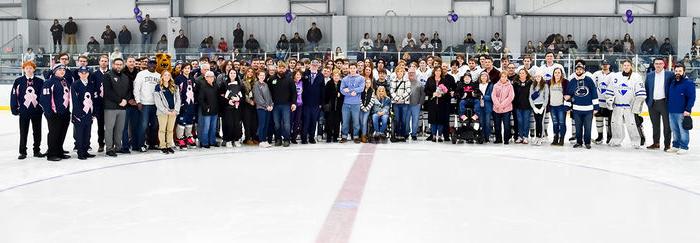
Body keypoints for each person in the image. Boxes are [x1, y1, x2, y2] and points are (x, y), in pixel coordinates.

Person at [11, 61, 45, 159]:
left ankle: (37, 150)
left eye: (31, 68)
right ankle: (22, 152)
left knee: (37, 131)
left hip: (36, 111)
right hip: (24, 111)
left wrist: (42, 108)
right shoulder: (18, 81)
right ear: (24, 69)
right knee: (23, 131)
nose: (29, 70)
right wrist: (14, 107)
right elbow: (14, 95)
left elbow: (43, 97)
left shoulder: (40, 81)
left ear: (34, 69)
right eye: (27, 68)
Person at [40, 64, 72, 161]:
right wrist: (49, 112)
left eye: (64, 69)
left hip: (65, 112)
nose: (62, 71)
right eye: (60, 69)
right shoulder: (49, 83)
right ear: (54, 71)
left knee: (62, 133)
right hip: (54, 113)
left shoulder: (65, 82)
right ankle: (51, 154)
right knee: (54, 133)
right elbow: (44, 99)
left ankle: (59, 151)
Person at [644, 58, 674, 151]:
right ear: (653, 65)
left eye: (660, 63)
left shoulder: (670, 74)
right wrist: (648, 102)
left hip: (664, 103)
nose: (658, 65)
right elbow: (646, 89)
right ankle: (656, 143)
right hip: (652, 104)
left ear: (664, 64)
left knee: (667, 125)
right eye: (656, 63)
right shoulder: (649, 75)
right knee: (655, 125)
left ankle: (667, 145)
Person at [103, 58, 131, 157]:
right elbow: (108, 91)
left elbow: (129, 91)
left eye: (120, 64)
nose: (118, 66)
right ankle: (109, 148)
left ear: (123, 65)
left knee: (120, 129)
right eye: (116, 64)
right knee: (109, 129)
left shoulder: (125, 77)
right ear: (113, 65)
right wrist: (120, 101)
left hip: (122, 108)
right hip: (110, 107)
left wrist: (126, 100)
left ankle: (118, 147)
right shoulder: (107, 76)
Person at [568, 63, 600, 149]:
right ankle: (579, 142)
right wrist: (568, 107)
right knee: (578, 127)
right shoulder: (572, 81)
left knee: (588, 127)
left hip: (588, 109)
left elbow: (594, 93)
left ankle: (587, 142)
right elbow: (568, 94)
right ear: (575, 71)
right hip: (576, 109)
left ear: (583, 70)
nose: (579, 71)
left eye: (580, 69)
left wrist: (596, 107)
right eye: (577, 69)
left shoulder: (589, 80)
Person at [133, 59, 161, 152]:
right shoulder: (141, 74)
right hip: (144, 104)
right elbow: (136, 88)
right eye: (150, 64)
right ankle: (140, 144)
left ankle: (152, 143)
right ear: (147, 65)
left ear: (156, 65)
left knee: (155, 125)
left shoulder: (158, 76)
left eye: (154, 64)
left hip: (156, 104)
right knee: (143, 125)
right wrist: (138, 101)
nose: (152, 66)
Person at [666, 64, 695, 154]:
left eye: (680, 71)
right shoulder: (672, 82)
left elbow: (691, 98)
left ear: (684, 72)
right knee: (674, 130)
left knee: (683, 130)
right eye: (676, 71)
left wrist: (688, 109)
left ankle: (684, 146)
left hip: (682, 111)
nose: (678, 73)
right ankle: (675, 145)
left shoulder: (688, 83)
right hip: (671, 111)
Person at [269, 63, 297, 147]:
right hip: (275, 106)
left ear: (285, 69)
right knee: (276, 124)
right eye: (279, 68)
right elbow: (269, 93)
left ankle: (286, 139)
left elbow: (294, 93)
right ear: (277, 68)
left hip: (286, 105)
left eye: (283, 68)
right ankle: (278, 139)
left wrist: (294, 103)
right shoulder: (271, 79)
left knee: (286, 124)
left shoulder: (289, 80)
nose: (281, 69)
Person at [71, 67, 96, 160]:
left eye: (86, 72)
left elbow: (93, 99)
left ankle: (85, 151)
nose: (84, 74)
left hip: (89, 113)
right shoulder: (75, 85)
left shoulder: (91, 84)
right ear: (79, 74)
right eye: (82, 73)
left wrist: (93, 112)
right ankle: (80, 152)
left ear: (88, 74)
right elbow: (75, 101)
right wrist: (78, 113)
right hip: (79, 114)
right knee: (80, 134)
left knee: (87, 133)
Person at [154, 71, 180, 154]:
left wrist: (176, 110)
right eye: (165, 75)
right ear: (162, 76)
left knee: (170, 130)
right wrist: (166, 111)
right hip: (163, 112)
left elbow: (178, 99)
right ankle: (162, 146)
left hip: (173, 112)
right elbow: (158, 102)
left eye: (168, 75)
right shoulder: (158, 87)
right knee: (162, 129)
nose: (167, 76)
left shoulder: (174, 87)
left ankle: (169, 145)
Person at [425, 66, 452, 142]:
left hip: (442, 103)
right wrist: (432, 93)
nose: (438, 72)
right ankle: (433, 136)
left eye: (439, 71)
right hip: (432, 102)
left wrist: (442, 94)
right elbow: (426, 90)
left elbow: (447, 92)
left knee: (440, 120)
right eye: (436, 71)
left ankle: (440, 136)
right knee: (433, 120)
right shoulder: (430, 79)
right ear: (434, 72)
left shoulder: (444, 80)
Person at [340, 63, 365, 143]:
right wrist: (351, 92)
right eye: (351, 68)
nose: (352, 70)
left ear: (356, 69)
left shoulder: (361, 78)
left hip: (356, 103)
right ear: (349, 69)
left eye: (354, 68)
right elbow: (342, 90)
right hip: (346, 103)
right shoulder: (345, 79)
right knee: (345, 121)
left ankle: (356, 136)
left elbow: (361, 88)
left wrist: (350, 90)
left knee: (356, 121)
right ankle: (344, 136)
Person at [174, 64, 198, 149]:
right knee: (181, 121)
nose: (187, 70)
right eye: (185, 68)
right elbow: (176, 92)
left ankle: (188, 136)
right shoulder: (178, 79)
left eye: (189, 68)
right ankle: (180, 138)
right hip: (182, 104)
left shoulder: (192, 79)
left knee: (190, 120)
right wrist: (179, 103)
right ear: (182, 69)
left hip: (191, 104)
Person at [302, 60, 325, 144]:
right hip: (306, 102)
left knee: (313, 121)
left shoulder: (321, 76)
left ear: (318, 66)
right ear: (310, 65)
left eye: (316, 65)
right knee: (306, 121)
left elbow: (322, 90)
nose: (314, 66)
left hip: (316, 103)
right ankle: (304, 137)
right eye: (313, 65)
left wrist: (321, 103)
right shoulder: (305, 74)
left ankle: (311, 137)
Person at [89, 55, 109, 152]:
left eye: (106, 61)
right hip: (99, 104)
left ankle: (111, 144)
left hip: (110, 104)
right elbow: (92, 90)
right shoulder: (94, 74)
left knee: (110, 126)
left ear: (108, 62)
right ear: (99, 62)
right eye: (102, 61)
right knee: (100, 126)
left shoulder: (111, 73)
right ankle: (101, 143)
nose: (104, 62)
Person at [591, 60, 614, 144]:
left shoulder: (613, 75)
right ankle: (600, 137)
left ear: (609, 65)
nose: (605, 66)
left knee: (609, 121)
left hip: (609, 103)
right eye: (603, 64)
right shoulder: (596, 74)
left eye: (606, 64)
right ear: (601, 65)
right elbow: (592, 86)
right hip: (598, 102)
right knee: (598, 119)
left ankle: (609, 137)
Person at [219, 69, 243, 147]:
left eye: (234, 73)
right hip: (227, 108)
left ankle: (236, 139)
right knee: (228, 124)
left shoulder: (240, 84)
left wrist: (238, 99)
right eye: (231, 73)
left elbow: (242, 96)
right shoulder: (224, 84)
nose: (232, 74)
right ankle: (228, 140)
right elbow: (220, 96)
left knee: (236, 124)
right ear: (228, 74)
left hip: (237, 108)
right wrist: (228, 101)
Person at [197, 71, 220, 148]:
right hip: (207, 110)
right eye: (209, 76)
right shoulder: (203, 86)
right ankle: (205, 142)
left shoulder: (215, 86)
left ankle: (212, 141)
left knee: (213, 127)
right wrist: (206, 108)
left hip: (215, 109)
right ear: (206, 78)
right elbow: (200, 99)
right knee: (206, 127)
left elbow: (218, 97)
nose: (211, 78)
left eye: (212, 76)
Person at [491, 72, 514, 144]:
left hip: (506, 109)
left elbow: (510, 97)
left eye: (505, 76)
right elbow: (493, 96)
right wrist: (498, 105)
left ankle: (506, 139)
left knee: (506, 125)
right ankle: (498, 139)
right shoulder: (495, 85)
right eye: (502, 77)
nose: (503, 78)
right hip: (496, 109)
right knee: (497, 125)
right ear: (500, 77)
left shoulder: (510, 86)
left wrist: (502, 105)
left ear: (507, 77)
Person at [253, 70, 274, 148]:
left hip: (268, 108)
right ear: (258, 76)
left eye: (263, 75)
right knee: (262, 124)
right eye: (261, 75)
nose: (262, 76)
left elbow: (269, 96)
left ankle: (265, 140)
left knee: (266, 124)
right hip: (261, 108)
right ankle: (261, 140)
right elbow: (258, 98)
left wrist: (271, 105)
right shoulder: (256, 85)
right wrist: (266, 106)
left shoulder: (265, 84)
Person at [529, 70, 549, 146]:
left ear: (541, 77)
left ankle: (540, 137)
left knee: (540, 122)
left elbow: (546, 97)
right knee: (536, 122)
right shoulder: (532, 86)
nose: (537, 78)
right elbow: (530, 97)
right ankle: (536, 137)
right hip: (535, 106)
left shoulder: (545, 85)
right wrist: (533, 107)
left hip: (541, 106)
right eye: (536, 76)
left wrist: (543, 107)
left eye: (539, 76)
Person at [390, 66, 411, 141]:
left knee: (403, 119)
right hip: (395, 103)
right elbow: (391, 91)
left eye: (401, 71)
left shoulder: (407, 81)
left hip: (404, 102)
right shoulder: (393, 81)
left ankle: (403, 135)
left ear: (403, 73)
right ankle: (397, 134)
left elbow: (408, 91)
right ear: (396, 72)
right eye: (398, 71)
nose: (399, 73)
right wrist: (397, 99)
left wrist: (401, 98)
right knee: (397, 119)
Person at [549, 68, 569, 146]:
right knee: (555, 123)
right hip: (552, 106)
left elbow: (568, 92)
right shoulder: (549, 82)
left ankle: (562, 139)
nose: (557, 74)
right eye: (555, 72)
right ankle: (555, 138)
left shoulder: (565, 82)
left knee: (562, 123)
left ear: (561, 74)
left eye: (558, 72)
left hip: (561, 106)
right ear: (553, 74)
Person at [513, 69, 533, 144]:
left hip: (527, 106)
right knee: (520, 121)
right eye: (520, 73)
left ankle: (525, 137)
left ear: (526, 74)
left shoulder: (530, 83)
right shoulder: (516, 83)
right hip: (518, 106)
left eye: (523, 73)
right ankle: (520, 136)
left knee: (526, 121)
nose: (521, 74)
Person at [325, 69, 344, 143]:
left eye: (338, 76)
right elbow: (326, 94)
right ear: (332, 76)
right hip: (330, 106)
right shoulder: (329, 83)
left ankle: (335, 137)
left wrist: (340, 95)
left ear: (340, 77)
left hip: (339, 107)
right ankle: (329, 137)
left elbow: (343, 94)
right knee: (329, 122)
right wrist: (336, 94)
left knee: (337, 122)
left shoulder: (341, 83)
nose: (336, 77)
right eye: (335, 75)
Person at [407, 67, 425, 141]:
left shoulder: (420, 84)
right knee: (406, 120)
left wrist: (420, 103)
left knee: (415, 120)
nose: (411, 74)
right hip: (406, 104)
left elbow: (422, 94)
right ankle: (406, 133)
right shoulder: (405, 82)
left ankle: (414, 134)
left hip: (416, 105)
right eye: (410, 73)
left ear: (415, 73)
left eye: (412, 73)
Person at [359, 76, 375, 143]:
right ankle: (360, 135)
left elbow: (372, 100)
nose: (367, 84)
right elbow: (359, 99)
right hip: (361, 108)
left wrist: (366, 108)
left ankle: (364, 135)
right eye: (366, 82)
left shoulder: (372, 91)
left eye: (369, 83)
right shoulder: (361, 90)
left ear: (371, 84)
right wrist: (362, 107)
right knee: (360, 122)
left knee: (364, 122)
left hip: (367, 109)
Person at [290, 70, 304, 144]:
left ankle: (294, 138)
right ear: (294, 75)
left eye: (299, 75)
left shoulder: (302, 83)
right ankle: (288, 136)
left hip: (300, 105)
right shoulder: (291, 82)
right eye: (297, 74)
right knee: (290, 121)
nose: (298, 76)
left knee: (297, 122)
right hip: (292, 105)